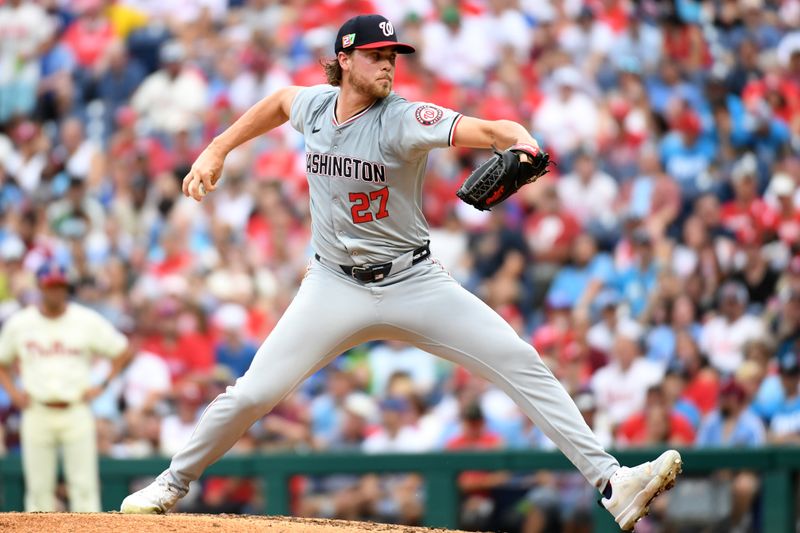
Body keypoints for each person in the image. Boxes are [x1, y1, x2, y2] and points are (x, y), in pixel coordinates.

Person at [120, 15, 682, 531]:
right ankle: (171, 484)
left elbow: (492, 129)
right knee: (250, 395)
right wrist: (217, 148)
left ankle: (613, 482)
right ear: (345, 59)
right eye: (375, 54)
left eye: (394, 54)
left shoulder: (407, 119)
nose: (388, 63)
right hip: (332, 284)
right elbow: (276, 102)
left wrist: (523, 140)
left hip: (414, 282)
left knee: (518, 359)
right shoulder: (315, 106)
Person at [0, 261, 133, 511]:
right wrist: (14, 394)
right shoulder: (21, 323)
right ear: (40, 287)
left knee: (84, 487)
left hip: (76, 408)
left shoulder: (84, 320)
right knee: (38, 489)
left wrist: (102, 385)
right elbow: (2, 361)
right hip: (37, 409)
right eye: (51, 286)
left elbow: (123, 350)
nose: (56, 291)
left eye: (60, 286)